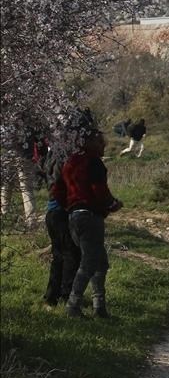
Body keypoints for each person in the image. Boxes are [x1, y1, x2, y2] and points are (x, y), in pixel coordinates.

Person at [63, 131, 123, 318]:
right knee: (89, 263)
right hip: (90, 216)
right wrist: (113, 204)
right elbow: (99, 191)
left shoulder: (70, 161)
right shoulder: (93, 162)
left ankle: (100, 307)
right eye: (101, 143)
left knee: (100, 263)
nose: (104, 146)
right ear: (90, 143)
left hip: (73, 216)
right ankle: (73, 305)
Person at [41, 147, 80, 306]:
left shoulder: (53, 154)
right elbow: (57, 186)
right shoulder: (61, 156)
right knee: (70, 254)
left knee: (61, 255)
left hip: (55, 211)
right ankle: (64, 296)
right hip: (60, 211)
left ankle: (53, 296)